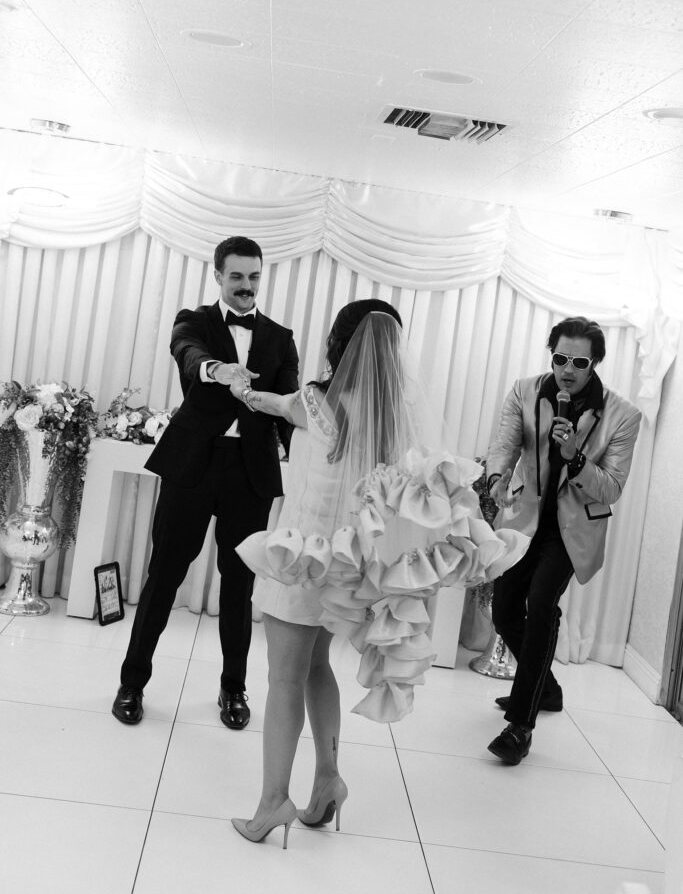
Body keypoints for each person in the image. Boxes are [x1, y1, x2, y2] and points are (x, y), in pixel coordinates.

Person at [227, 299, 526, 848]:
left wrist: (238, 385)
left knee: (284, 679)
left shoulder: (316, 402)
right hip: (348, 572)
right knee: (318, 669)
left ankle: (273, 802)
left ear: (335, 347)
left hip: (298, 561)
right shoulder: (399, 420)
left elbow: (265, 401)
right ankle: (328, 780)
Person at [112, 236, 299, 730]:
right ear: (218, 276)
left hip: (249, 472)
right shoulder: (193, 321)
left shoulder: (280, 338)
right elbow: (188, 354)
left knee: (239, 586)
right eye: (236, 276)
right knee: (164, 576)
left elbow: (290, 406)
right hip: (194, 464)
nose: (246, 286)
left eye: (254, 276)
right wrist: (218, 370)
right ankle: (132, 683)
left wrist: (298, 435)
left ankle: (233, 690)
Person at [485, 315, 642, 765]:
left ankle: (520, 726)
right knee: (503, 611)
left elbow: (611, 487)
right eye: (559, 358)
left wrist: (574, 458)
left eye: (579, 361)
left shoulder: (623, 416)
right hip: (526, 519)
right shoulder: (525, 390)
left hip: (573, 531)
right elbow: (505, 444)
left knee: (540, 604)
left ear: (595, 364)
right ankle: (547, 688)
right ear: (550, 355)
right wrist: (496, 476)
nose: (567, 369)